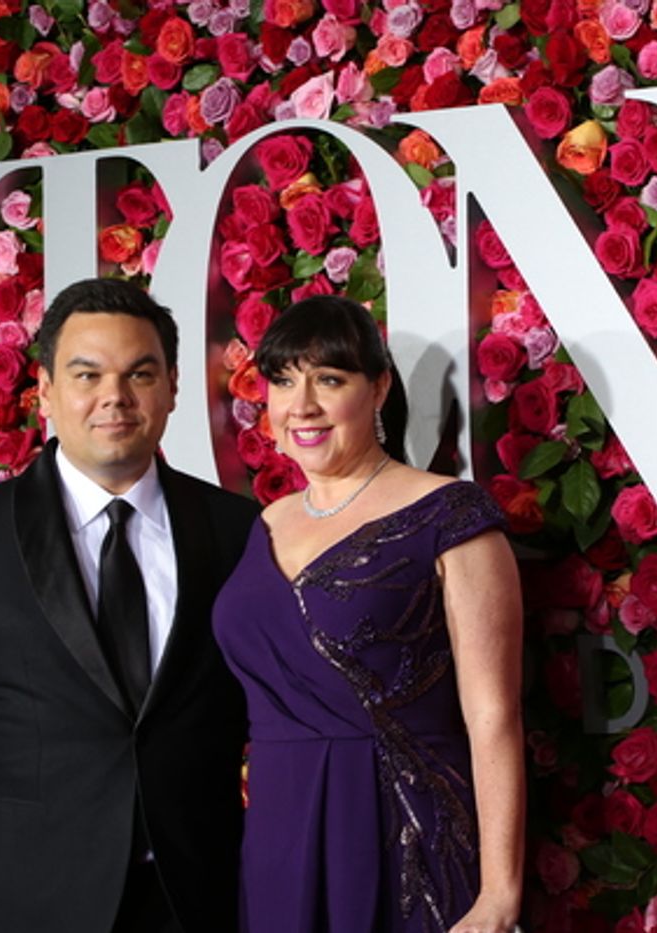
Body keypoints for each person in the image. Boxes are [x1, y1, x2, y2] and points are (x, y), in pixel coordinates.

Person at [0, 278, 258, 933]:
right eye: (87, 374)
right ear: (47, 391)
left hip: (197, 899)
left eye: (139, 373)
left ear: (172, 385)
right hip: (28, 903)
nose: (114, 396)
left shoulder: (235, 529)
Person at [212, 295, 525, 932]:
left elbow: (493, 715)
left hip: (402, 829)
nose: (301, 405)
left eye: (329, 379)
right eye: (282, 380)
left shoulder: (450, 516)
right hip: (278, 832)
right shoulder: (264, 523)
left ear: (379, 388)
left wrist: (499, 895)